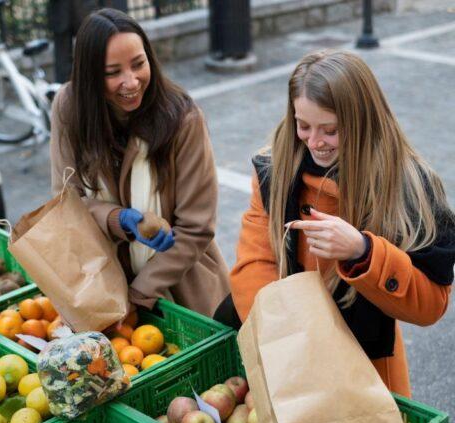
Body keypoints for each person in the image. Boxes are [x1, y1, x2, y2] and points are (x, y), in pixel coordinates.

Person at [214, 49, 455, 397]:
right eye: (303, 125)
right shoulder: (273, 169)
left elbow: (431, 304)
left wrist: (364, 251)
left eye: (330, 130)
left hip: (366, 365)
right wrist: (289, 342)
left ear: (361, 122)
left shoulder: (408, 185)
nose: (314, 142)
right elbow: (256, 264)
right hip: (285, 354)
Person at [50, 8, 230, 317]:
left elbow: (196, 228)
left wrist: (139, 294)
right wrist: (117, 219)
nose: (131, 82)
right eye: (112, 72)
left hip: (182, 288)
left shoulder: (182, 119)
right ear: (90, 74)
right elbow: (66, 203)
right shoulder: (70, 108)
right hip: (102, 285)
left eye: (138, 64)